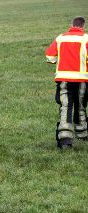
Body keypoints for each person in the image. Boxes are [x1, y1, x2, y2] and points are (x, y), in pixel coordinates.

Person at [46, 16, 88, 149]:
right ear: (83, 27)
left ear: (71, 25)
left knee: (65, 107)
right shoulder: (86, 38)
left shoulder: (61, 38)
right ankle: (82, 135)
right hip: (82, 79)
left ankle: (65, 140)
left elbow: (50, 57)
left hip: (63, 79)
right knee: (81, 106)